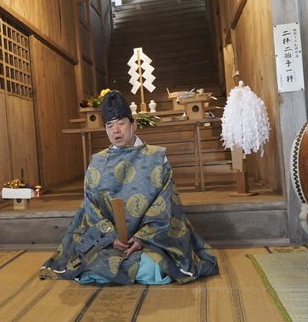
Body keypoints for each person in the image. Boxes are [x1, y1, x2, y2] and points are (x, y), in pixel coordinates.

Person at [40, 90, 218, 285]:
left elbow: (166, 205)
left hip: (152, 241)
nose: (115, 130)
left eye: (121, 123)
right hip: (108, 241)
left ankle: (125, 269)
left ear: (133, 125)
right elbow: (90, 208)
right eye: (109, 125)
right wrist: (111, 237)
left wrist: (142, 238)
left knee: (153, 267)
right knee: (93, 262)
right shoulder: (97, 163)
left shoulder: (156, 158)